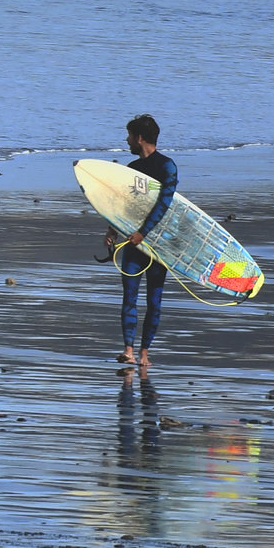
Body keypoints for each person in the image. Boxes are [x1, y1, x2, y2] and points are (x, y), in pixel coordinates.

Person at [108, 114, 176, 370]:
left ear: (139, 138)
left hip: (158, 244)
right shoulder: (132, 169)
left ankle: (145, 352)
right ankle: (128, 351)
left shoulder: (167, 167)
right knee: (129, 296)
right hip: (133, 243)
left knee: (154, 300)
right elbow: (123, 205)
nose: (126, 141)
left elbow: (164, 204)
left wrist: (143, 233)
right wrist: (112, 229)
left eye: (129, 136)